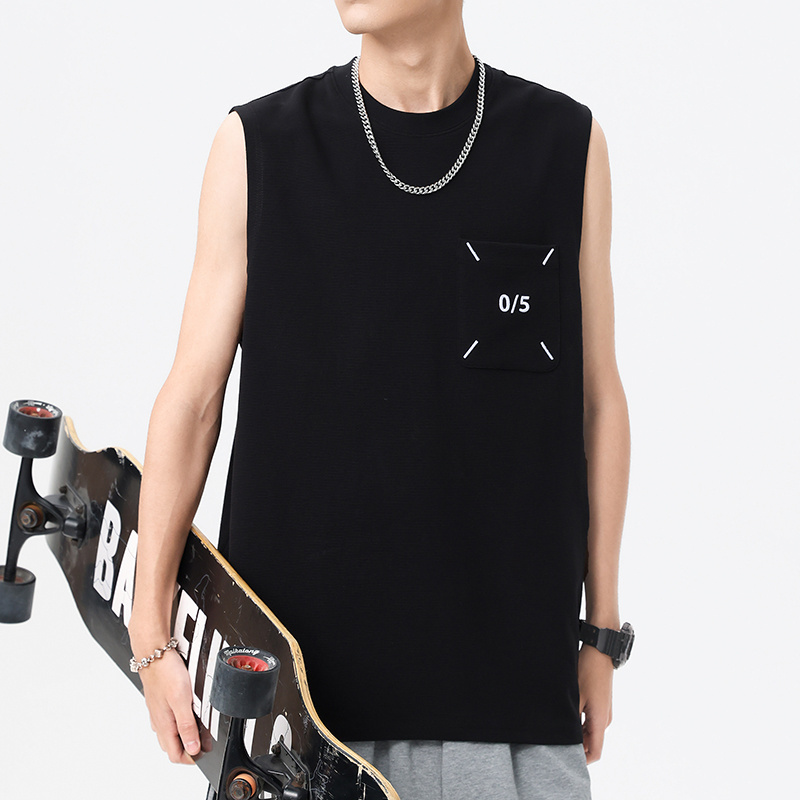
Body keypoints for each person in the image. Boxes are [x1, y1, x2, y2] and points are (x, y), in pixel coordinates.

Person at [129, 2, 631, 798]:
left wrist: (600, 632)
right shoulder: (259, 145)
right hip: (299, 720)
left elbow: (597, 402)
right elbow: (193, 398)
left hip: (508, 704)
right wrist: (150, 627)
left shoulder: (565, 147)